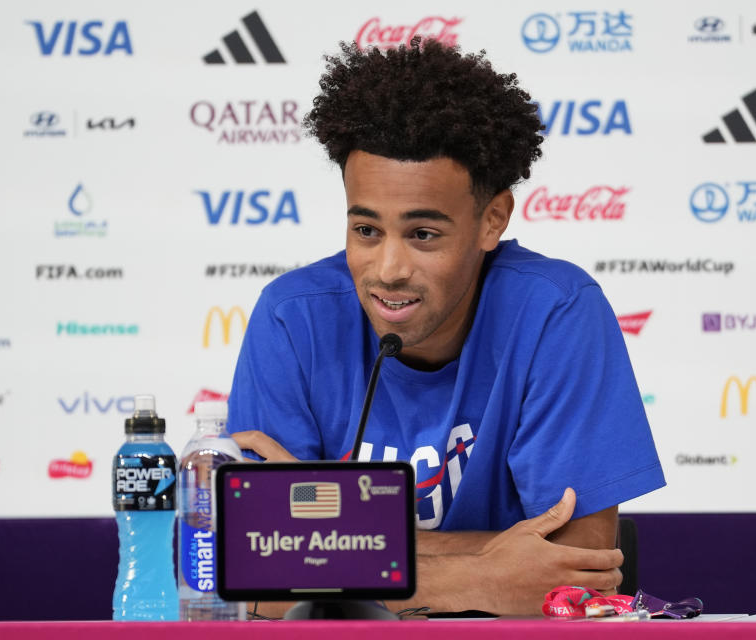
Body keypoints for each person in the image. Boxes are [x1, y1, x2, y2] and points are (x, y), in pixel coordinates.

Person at [228, 38, 664, 616]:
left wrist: (332, 550)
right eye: (366, 231)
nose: (387, 270)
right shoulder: (291, 317)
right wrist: (480, 577)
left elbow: (575, 570)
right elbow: (257, 582)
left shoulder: (556, 311)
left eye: (423, 235)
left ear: (493, 220)